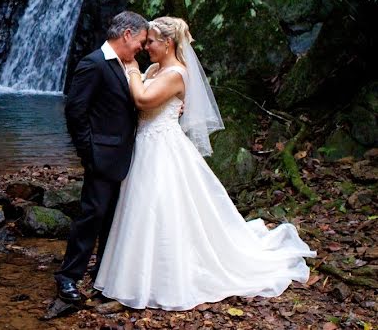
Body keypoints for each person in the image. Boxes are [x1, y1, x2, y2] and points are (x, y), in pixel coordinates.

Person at [93, 16, 315, 310]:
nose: (146, 47)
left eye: (151, 42)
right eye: (145, 42)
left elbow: (144, 100)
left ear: (168, 43)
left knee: (157, 209)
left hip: (163, 148)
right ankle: (130, 279)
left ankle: (152, 284)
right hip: (144, 145)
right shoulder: (155, 69)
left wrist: (132, 71)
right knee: (139, 210)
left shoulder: (175, 72)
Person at [55, 11, 148, 302]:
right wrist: (89, 153)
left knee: (111, 220)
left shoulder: (126, 65)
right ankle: (68, 277)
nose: (142, 48)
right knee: (90, 217)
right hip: (102, 157)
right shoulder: (93, 64)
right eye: (141, 41)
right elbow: (75, 112)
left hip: (123, 157)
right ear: (127, 34)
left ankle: (102, 277)